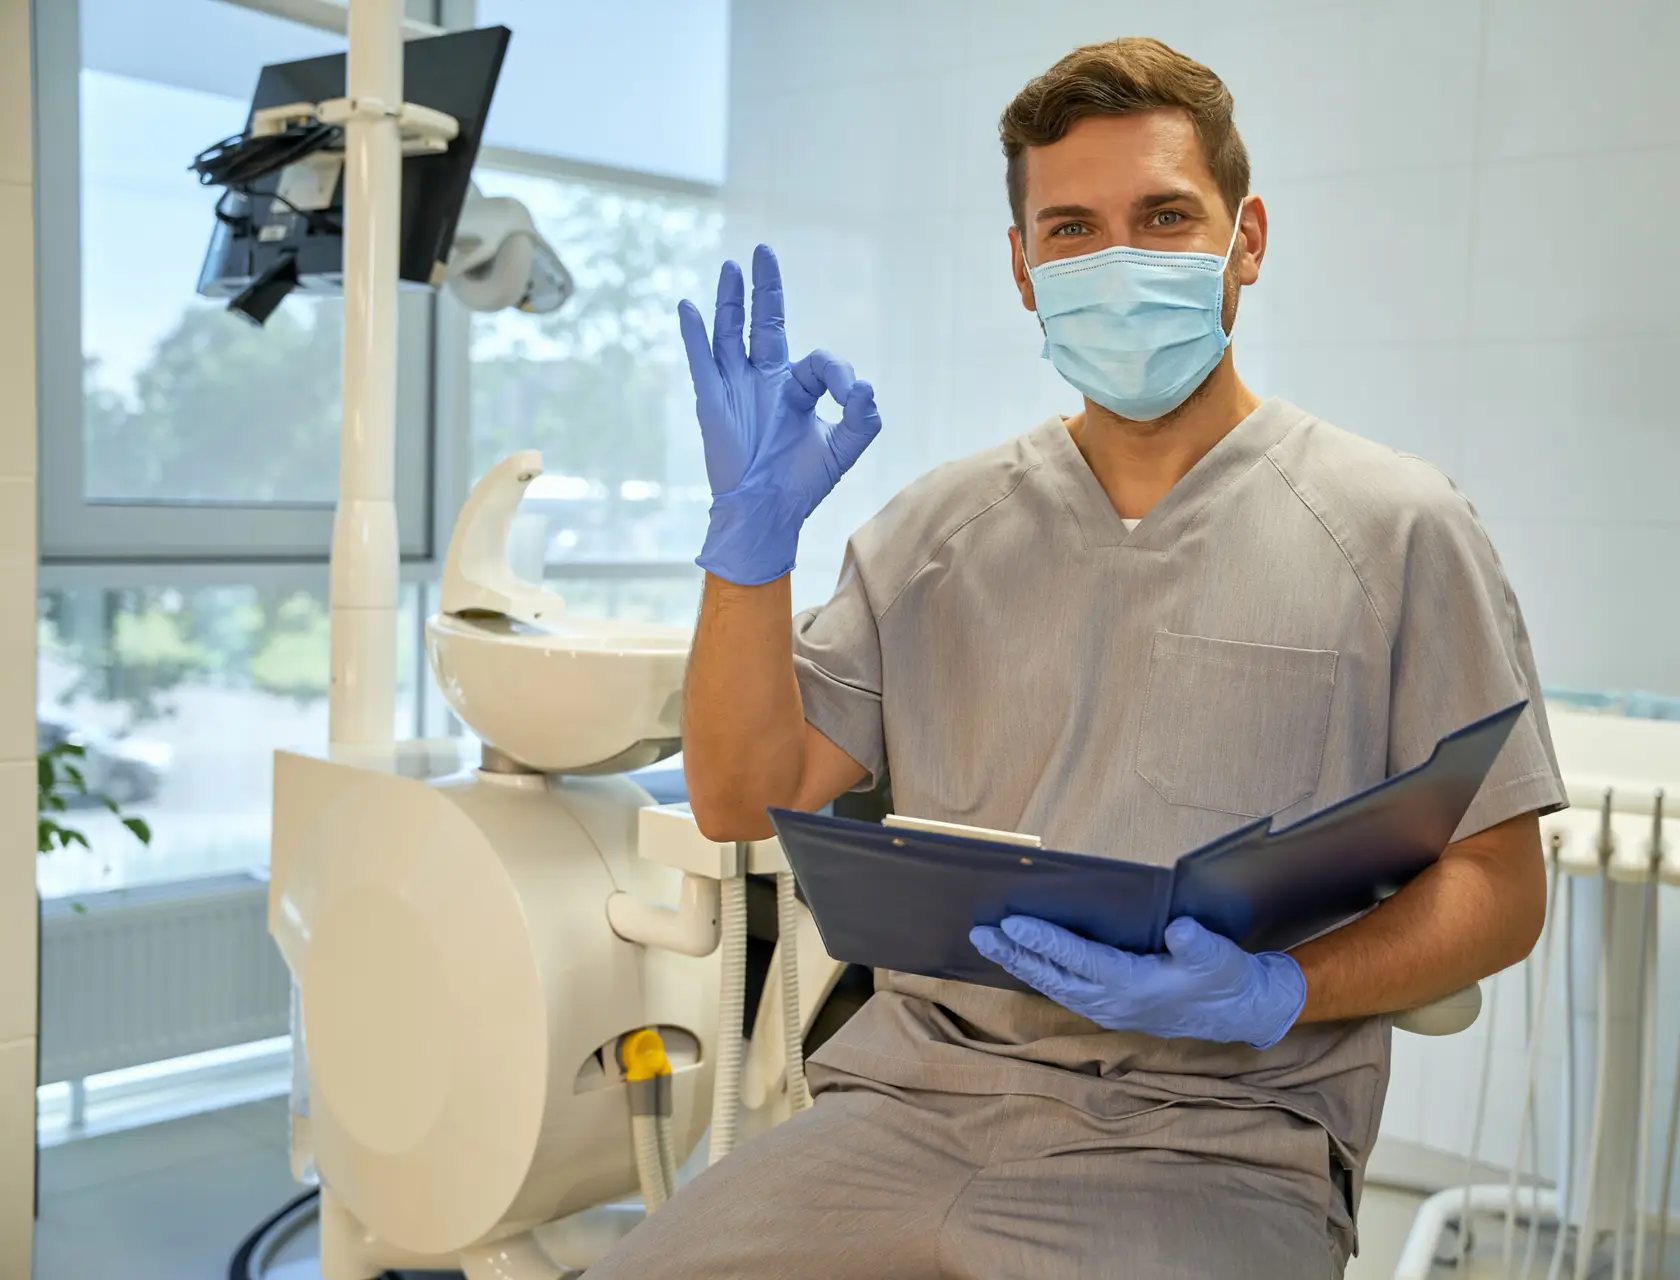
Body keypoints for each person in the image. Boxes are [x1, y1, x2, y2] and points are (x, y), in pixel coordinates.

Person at [588, 36, 1565, 1280]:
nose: (1119, 263)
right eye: (1072, 230)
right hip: (906, 1107)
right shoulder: (936, 533)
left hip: (1217, 1142)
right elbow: (738, 791)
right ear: (1023, 266)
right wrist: (747, 556)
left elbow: (1502, 882)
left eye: (1165, 216)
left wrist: (1273, 989)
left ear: (1245, 240)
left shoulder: (1395, 528)